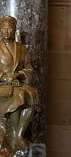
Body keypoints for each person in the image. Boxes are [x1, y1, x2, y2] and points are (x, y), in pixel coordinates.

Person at [0, 16, 37, 151]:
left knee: (32, 94)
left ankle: (20, 133)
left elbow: (28, 68)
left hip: (17, 82)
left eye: (10, 28)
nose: (7, 31)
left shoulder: (20, 48)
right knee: (20, 96)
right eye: (4, 27)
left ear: (14, 29)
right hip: (2, 84)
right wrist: (5, 77)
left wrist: (18, 75)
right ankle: (17, 136)